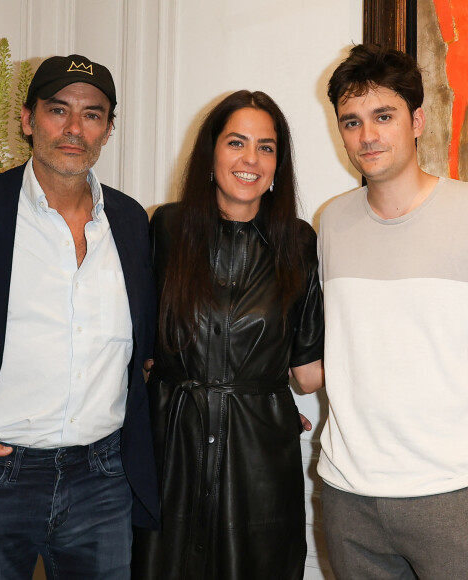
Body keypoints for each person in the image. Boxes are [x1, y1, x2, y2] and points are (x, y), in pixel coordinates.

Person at [0, 54, 158, 579]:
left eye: (92, 114)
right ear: (28, 120)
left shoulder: (130, 221)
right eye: (58, 110)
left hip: (104, 480)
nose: (75, 128)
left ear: (108, 129)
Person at [318, 43, 468, 579]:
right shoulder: (331, 223)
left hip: (456, 497)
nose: (367, 136)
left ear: (417, 120)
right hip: (349, 499)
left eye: (384, 116)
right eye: (351, 122)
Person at [131, 90, 324, 580]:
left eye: (266, 147)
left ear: (279, 162)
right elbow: (135, 335)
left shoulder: (299, 243)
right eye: (236, 142)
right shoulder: (167, 229)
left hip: (257, 455)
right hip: (171, 447)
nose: (250, 159)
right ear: (211, 153)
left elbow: (307, 372)